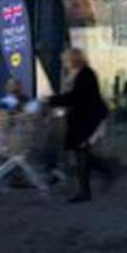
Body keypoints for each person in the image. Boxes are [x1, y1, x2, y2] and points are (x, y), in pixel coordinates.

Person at [48, 48, 111, 203]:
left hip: (88, 119)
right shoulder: (76, 73)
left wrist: (52, 100)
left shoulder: (85, 74)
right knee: (82, 152)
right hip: (81, 118)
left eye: (66, 59)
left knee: (81, 152)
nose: (64, 63)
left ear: (73, 59)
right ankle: (105, 170)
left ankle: (86, 190)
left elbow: (77, 97)